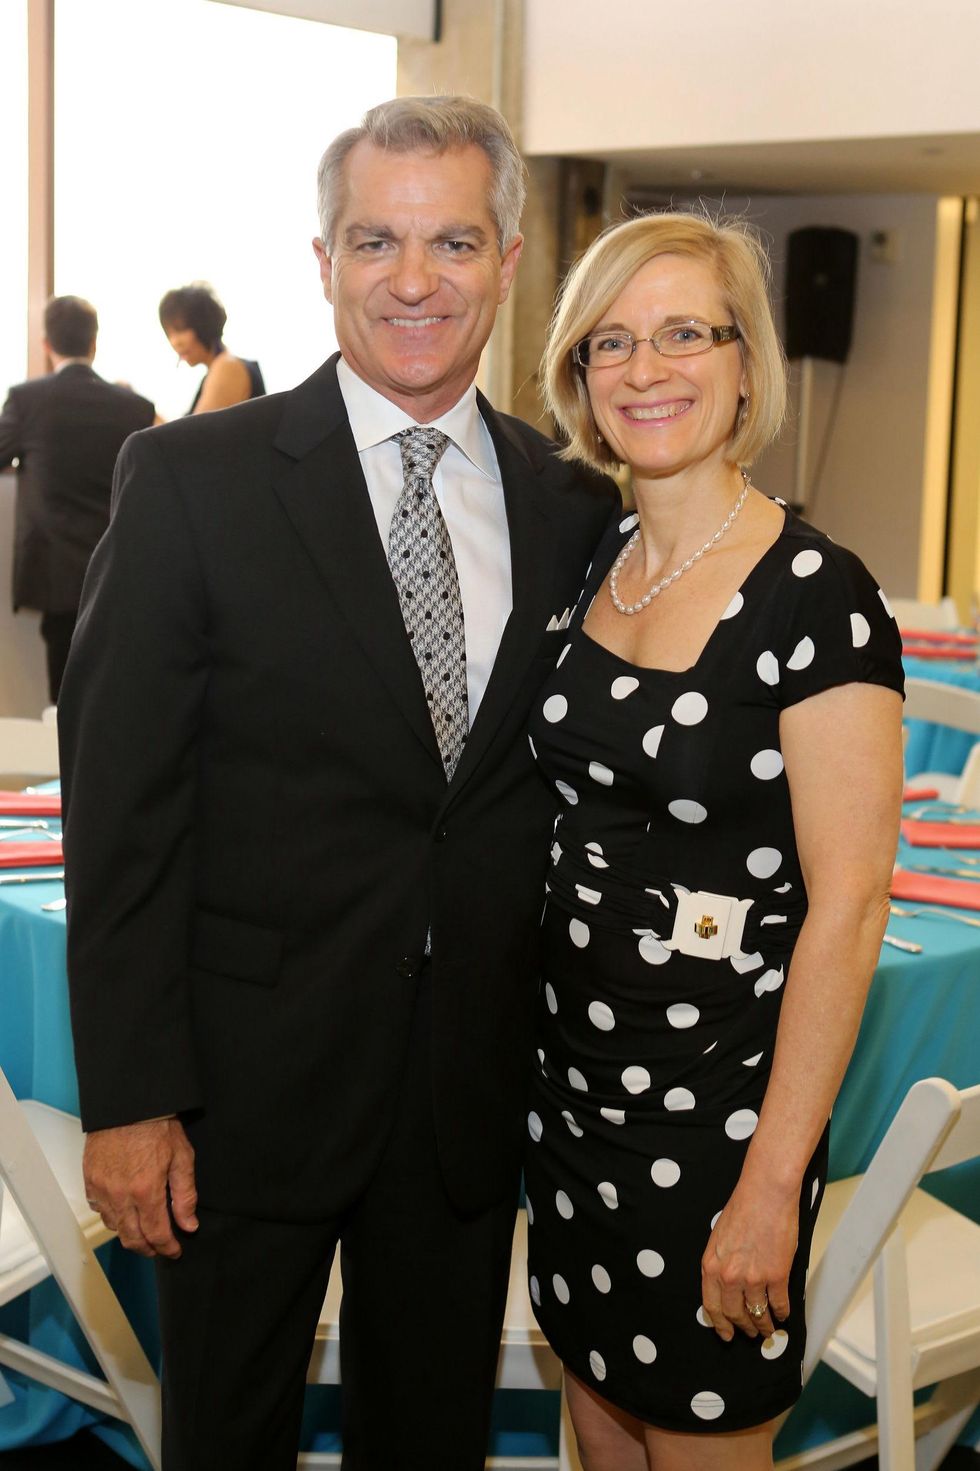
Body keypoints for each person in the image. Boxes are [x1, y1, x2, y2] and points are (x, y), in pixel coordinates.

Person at [58, 96, 616, 1471]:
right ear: (322, 259)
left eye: (451, 241)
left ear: (508, 257)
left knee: (429, 1441)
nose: (413, 280)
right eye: (377, 240)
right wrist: (130, 1098)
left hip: (468, 1094)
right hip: (241, 1091)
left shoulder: (572, 503)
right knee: (228, 1440)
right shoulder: (192, 479)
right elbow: (120, 814)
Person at [524, 210, 904, 1469]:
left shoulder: (816, 596)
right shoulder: (591, 561)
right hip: (570, 1111)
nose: (646, 368)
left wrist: (765, 1190)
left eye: (686, 332)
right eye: (612, 342)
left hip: (718, 1138)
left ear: (745, 364)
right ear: (579, 373)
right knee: (597, 1439)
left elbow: (847, 911)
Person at [0, 295, 155, 702]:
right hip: (119, 567)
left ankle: (68, 767)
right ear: (95, 343)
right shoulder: (135, 407)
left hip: (54, 571)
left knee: (64, 698)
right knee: (117, 692)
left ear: (46, 344)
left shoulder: (26, 399)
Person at [158, 282, 265, 414]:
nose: (175, 342)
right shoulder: (218, 369)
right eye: (169, 334)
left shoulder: (227, 367)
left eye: (181, 330)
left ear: (203, 325)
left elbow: (195, 432)